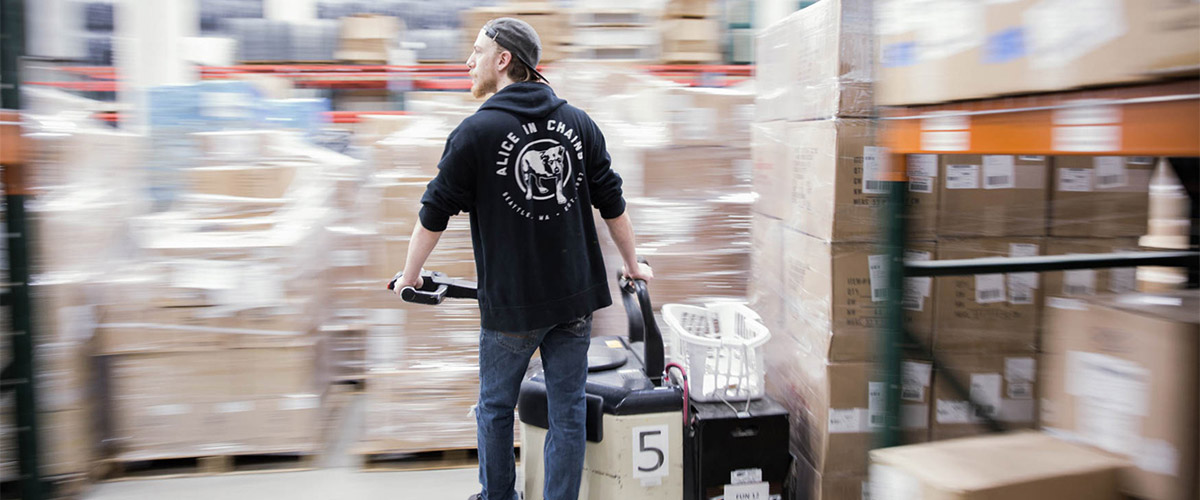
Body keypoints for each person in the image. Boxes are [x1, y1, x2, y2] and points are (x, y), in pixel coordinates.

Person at [390, 17, 653, 500]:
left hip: (512, 308)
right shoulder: (578, 123)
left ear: (504, 59)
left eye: (476, 52)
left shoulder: (476, 132)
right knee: (568, 410)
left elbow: (434, 212)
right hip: (575, 302)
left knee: (494, 409)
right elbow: (612, 202)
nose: (469, 62)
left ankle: (498, 496)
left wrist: (410, 277)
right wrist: (633, 265)